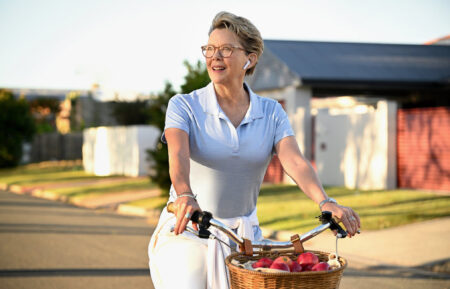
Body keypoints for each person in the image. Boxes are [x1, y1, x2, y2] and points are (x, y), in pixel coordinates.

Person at [148, 11, 361, 289]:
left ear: (249, 59)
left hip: (244, 238)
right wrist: (185, 193)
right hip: (188, 229)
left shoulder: (271, 111)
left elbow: (294, 161)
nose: (215, 57)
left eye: (225, 49)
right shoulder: (184, 105)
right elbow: (178, 154)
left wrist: (325, 201)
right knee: (187, 280)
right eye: (209, 49)